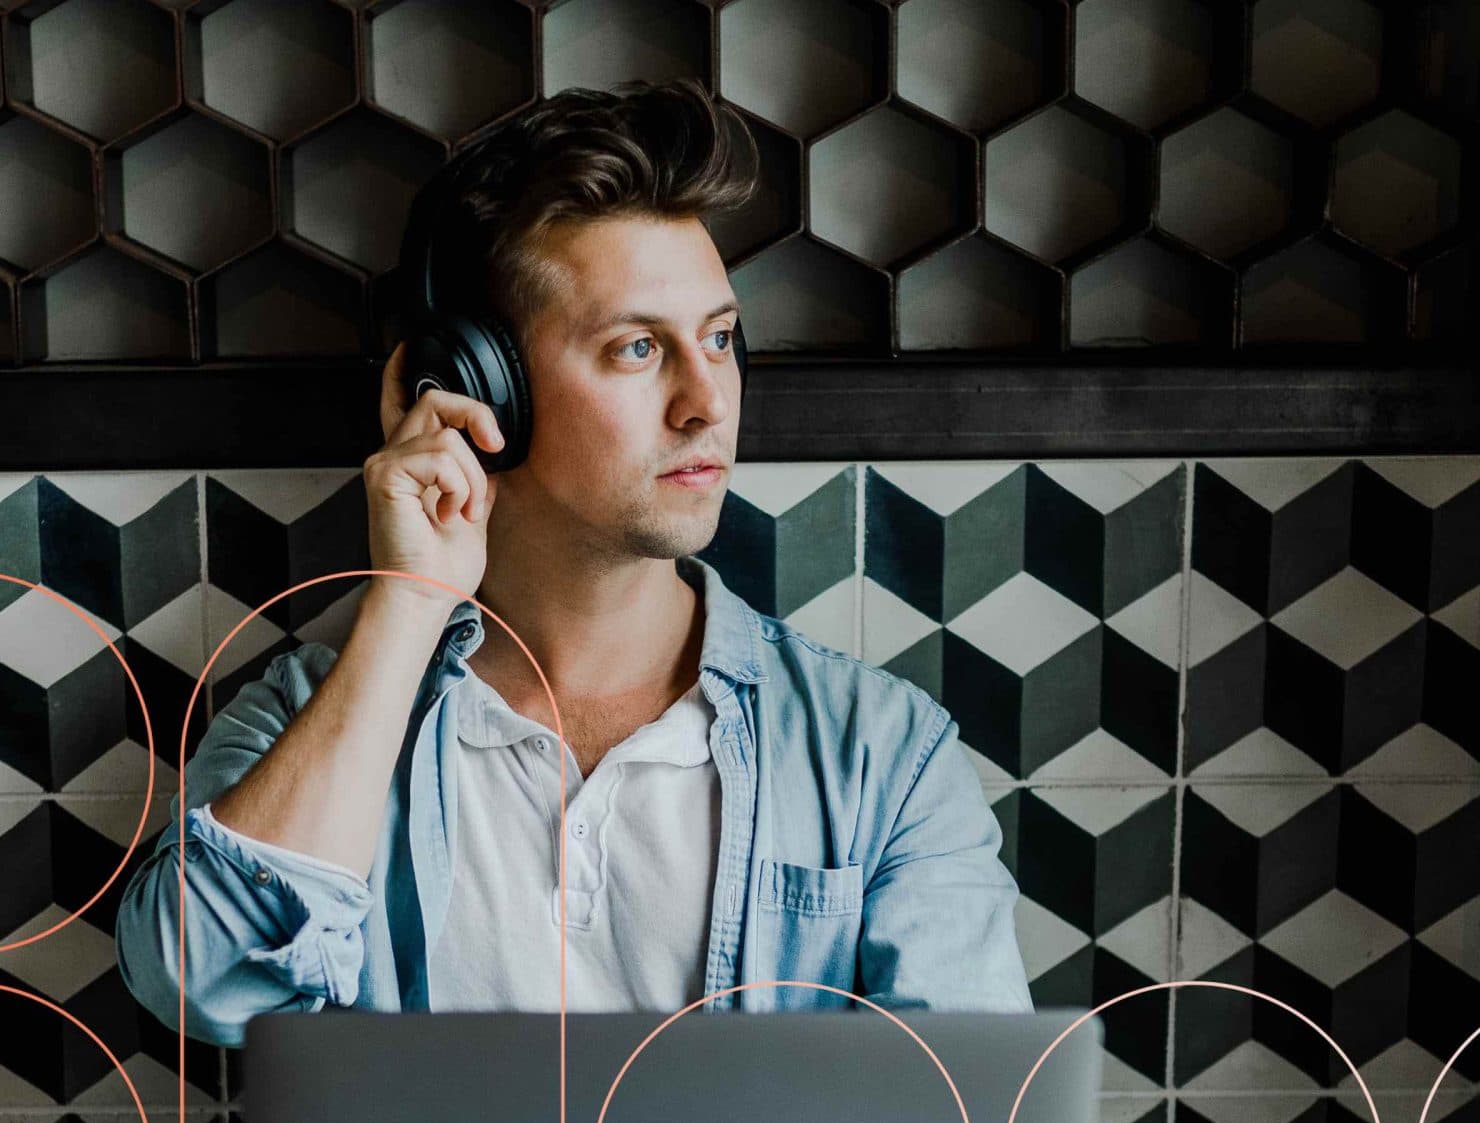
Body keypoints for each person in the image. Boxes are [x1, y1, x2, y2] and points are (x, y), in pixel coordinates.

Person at [114, 80, 1031, 1048]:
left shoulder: (880, 752)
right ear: (477, 386)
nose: (706, 403)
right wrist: (410, 604)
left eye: (718, 339)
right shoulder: (310, 718)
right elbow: (197, 987)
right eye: (638, 347)